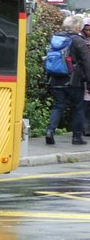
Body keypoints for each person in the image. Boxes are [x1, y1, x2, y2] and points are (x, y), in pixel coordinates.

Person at [44, 14, 90, 145]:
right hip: (74, 81)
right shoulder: (78, 41)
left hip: (56, 78)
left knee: (58, 106)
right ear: (78, 27)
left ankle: (49, 132)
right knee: (78, 108)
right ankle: (76, 137)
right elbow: (87, 62)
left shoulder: (57, 38)